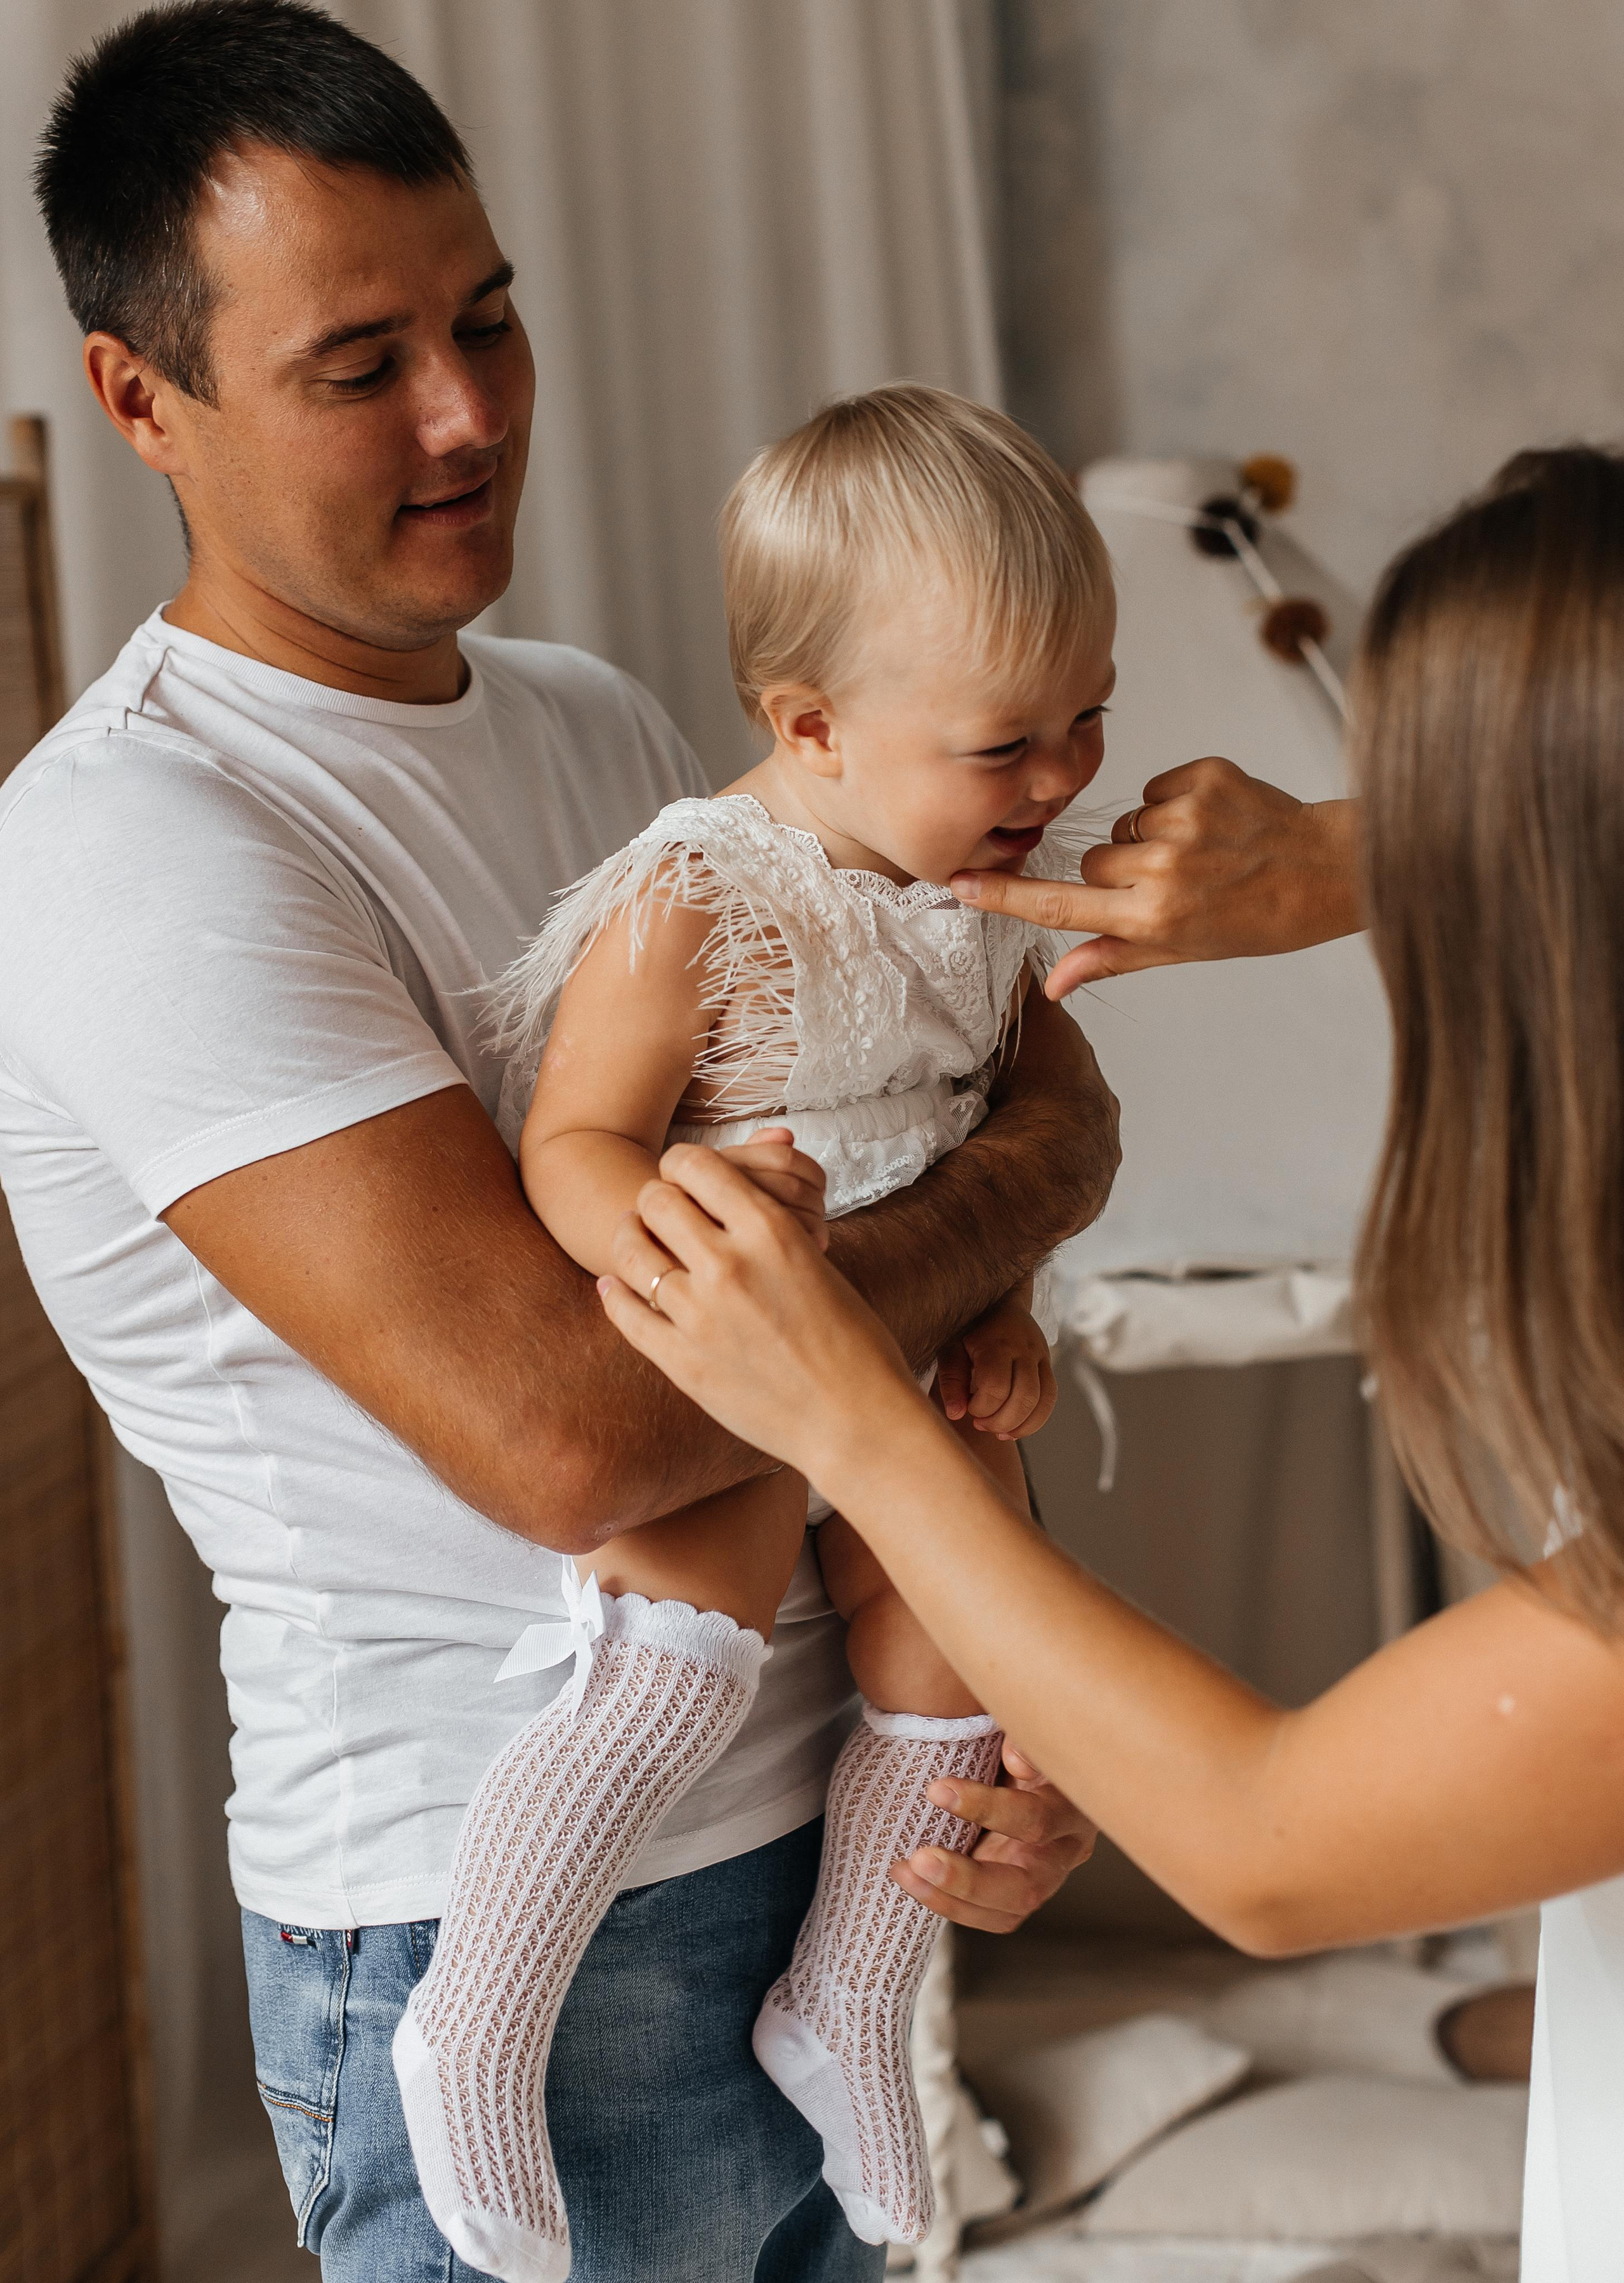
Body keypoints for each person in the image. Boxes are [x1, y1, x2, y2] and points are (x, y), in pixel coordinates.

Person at [0, 7, 1113, 2280]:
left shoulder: (610, 728)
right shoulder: (140, 846)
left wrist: (1000, 1694)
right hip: (507, 1913)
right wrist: (1024, 1196)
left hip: (818, 1844)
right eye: (362, 363)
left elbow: (969, 1097)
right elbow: (573, 1431)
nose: (473, 413)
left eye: (490, 320)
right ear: (144, 401)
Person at [594, 445, 1624, 2280]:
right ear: (806, 727)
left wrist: (848, 1405)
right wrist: (1350, 852)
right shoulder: (695, 906)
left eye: (1438, 843)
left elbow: (1270, 1842)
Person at [393, 385, 1114, 2273]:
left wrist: (1012, 1303)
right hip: (727, 1355)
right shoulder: (704, 892)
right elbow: (572, 1138)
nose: (1062, 773)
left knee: (967, 1650)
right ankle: (470, 2025)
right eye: (1007, 742)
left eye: (1089, 715)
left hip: (906, 1348)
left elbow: (996, 1135)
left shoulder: (976, 900)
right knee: (672, 1672)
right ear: (814, 729)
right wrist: (663, 1247)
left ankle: (853, 2001)